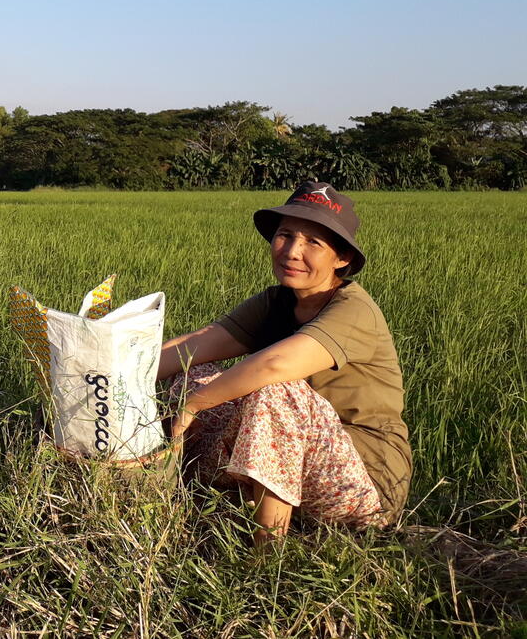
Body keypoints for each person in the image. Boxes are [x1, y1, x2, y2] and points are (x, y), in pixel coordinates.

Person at [157, 181, 411, 543]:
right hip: (303, 459)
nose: (292, 251)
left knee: (276, 392)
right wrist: (107, 368)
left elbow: (273, 366)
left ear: (342, 259)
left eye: (313, 243)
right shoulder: (276, 302)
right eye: (286, 235)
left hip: (366, 485)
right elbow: (197, 345)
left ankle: (265, 560)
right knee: (192, 376)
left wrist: (194, 406)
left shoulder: (354, 309)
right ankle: (192, 501)